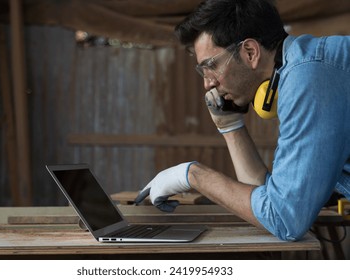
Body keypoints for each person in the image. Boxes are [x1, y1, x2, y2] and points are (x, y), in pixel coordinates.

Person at [134, 0, 350, 241]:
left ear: (250, 52)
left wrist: (192, 175)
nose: (207, 83)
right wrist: (230, 126)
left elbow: (285, 219)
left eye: (211, 66)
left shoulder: (308, 79)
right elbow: (268, 199)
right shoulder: (301, 68)